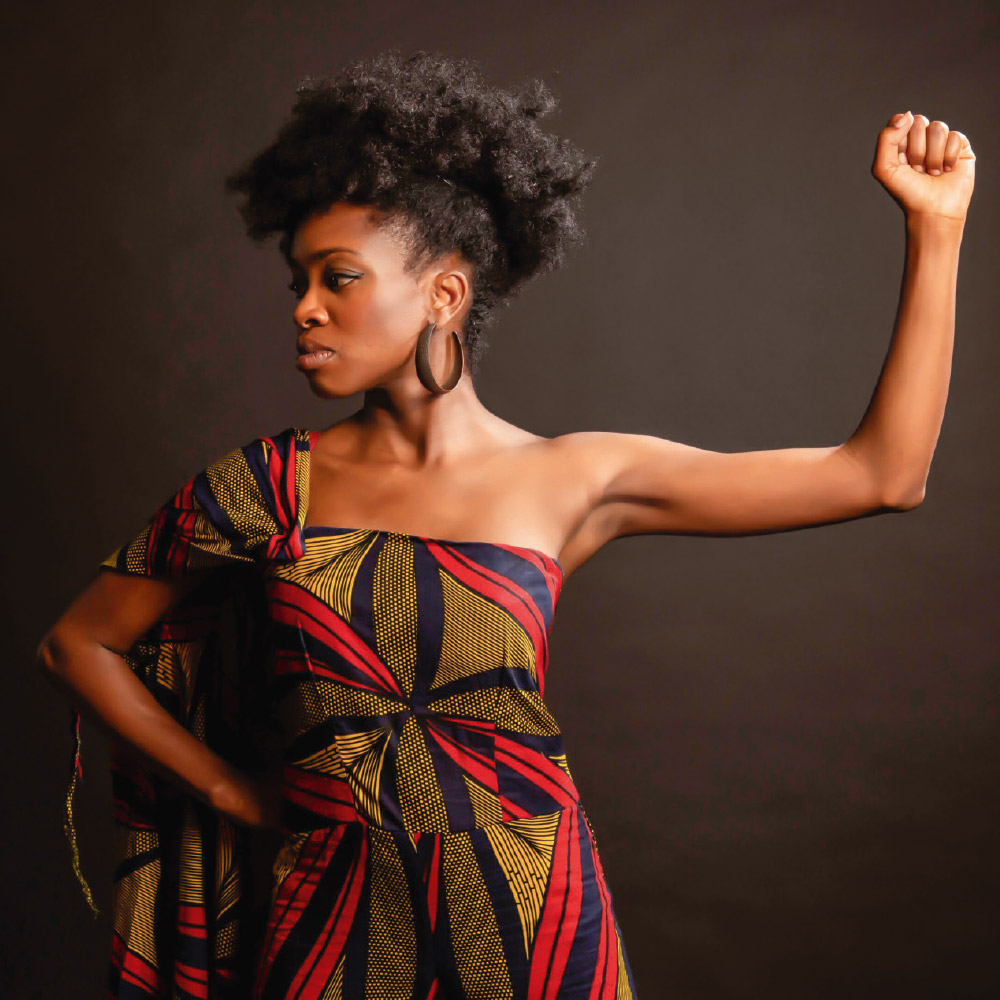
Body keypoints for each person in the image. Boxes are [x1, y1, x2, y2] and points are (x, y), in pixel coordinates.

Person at [36, 48, 974, 1000]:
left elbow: (881, 475)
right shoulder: (269, 487)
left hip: (533, 915)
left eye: (338, 278)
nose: (305, 310)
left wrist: (934, 230)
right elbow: (78, 645)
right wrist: (228, 789)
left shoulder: (573, 477)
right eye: (297, 283)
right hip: (331, 916)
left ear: (444, 294)